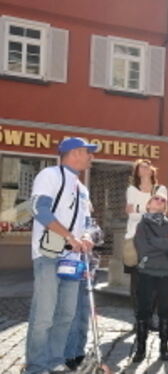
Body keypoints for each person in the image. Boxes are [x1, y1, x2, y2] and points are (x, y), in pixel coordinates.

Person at [25, 137, 97, 374]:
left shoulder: (82, 188)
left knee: (66, 314)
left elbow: (87, 222)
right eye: (88, 152)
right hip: (48, 254)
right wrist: (68, 237)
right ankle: (36, 366)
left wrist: (86, 236)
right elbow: (38, 209)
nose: (91, 157)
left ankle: (55, 360)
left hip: (73, 259)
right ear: (75, 152)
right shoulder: (50, 175)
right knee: (44, 315)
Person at [131, 191, 168, 362]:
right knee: (144, 311)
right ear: (148, 205)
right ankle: (140, 349)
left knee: (164, 311)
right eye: (156, 199)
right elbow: (143, 248)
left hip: (165, 273)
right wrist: (165, 243)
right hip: (147, 273)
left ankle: (164, 348)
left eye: (163, 200)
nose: (160, 201)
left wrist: (155, 242)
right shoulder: (142, 225)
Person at [123, 159, 167, 329]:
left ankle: (150, 317)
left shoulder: (160, 189)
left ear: (151, 170)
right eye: (140, 166)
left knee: (156, 281)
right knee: (137, 282)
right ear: (136, 172)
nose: (144, 168)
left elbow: (161, 214)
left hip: (155, 240)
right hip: (135, 239)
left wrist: (139, 209)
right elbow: (132, 217)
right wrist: (149, 209)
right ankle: (139, 319)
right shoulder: (131, 190)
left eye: (147, 166)